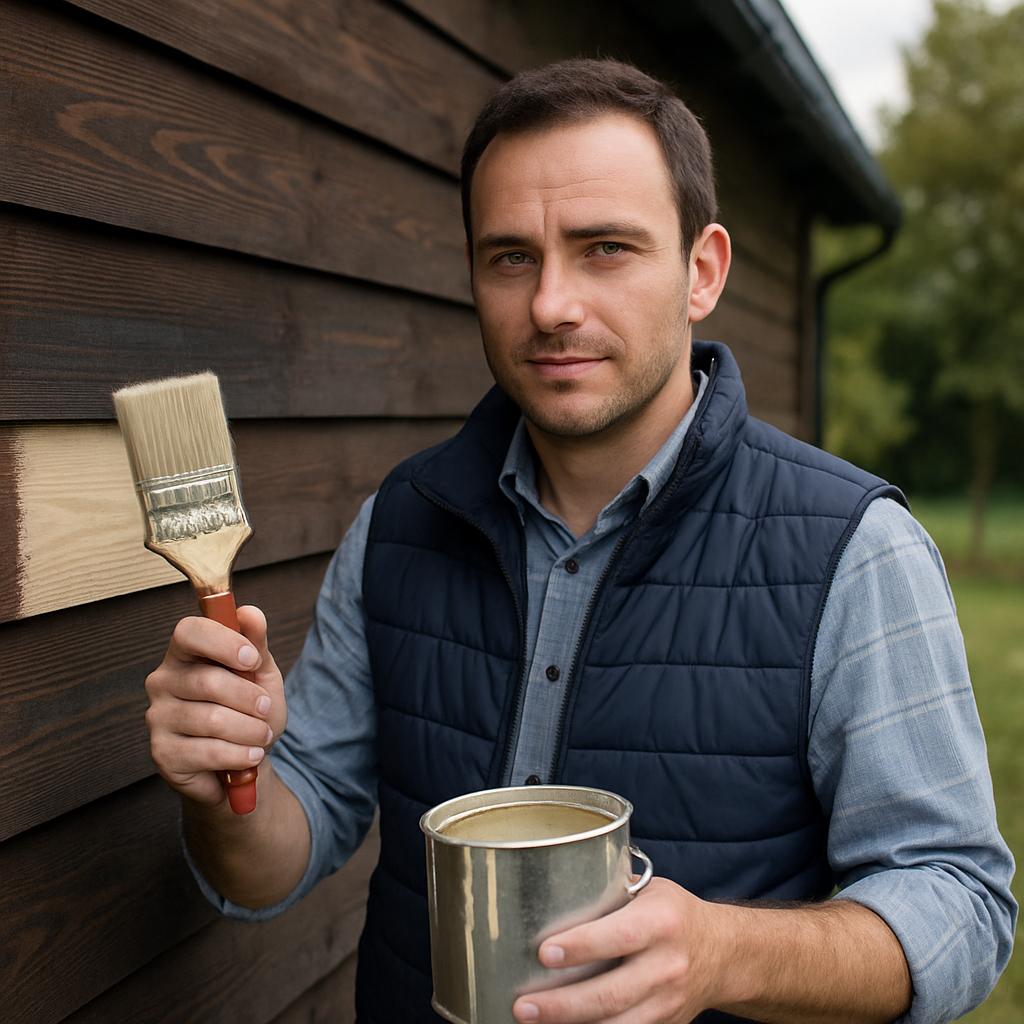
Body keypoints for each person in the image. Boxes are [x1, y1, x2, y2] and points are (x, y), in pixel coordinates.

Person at [145, 59, 1015, 1023]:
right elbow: (270, 862)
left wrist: (726, 954)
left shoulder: (855, 548)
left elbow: (960, 905)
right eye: (511, 256)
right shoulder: (401, 520)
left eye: (605, 248)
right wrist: (224, 776)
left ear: (703, 271)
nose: (551, 304)